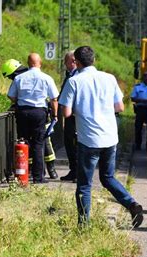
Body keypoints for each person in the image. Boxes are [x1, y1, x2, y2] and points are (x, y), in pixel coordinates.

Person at [59, 46, 143, 227]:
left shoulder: (74, 81)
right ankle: (132, 204)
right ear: (94, 60)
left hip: (88, 139)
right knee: (108, 177)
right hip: (110, 138)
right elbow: (120, 107)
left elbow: (65, 112)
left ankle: (84, 225)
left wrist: (82, 111)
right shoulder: (109, 78)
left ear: (77, 63)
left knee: (84, 185)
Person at [6, 53, 59, 183]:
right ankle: (38, 177)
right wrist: (55, 115)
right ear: (40, 63)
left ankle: (23, 175)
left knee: (23, 141)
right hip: (39, 113)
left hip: (23, 112)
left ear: (28, 63)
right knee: (38, 144)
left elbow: (11, 95)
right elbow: (54, 99)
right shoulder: (46, 78)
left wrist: (19, 101)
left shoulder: (19, 78)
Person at [59, 51, 78, 182]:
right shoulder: (69, 75)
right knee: (69, 143)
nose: (65, 65)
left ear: (72, 61)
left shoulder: (77, 76)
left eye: (65, 62)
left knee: (76, 144)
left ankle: (78, 173)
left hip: (76, 116)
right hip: (69, 116)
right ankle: (73, 170)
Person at [131, 73, 147, 151]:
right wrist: (142, 100)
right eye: (145, 76)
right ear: (143, 78)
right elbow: (133, 98)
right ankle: (138, 145)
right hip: (140, 109)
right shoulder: (138, 87)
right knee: (138, 128)